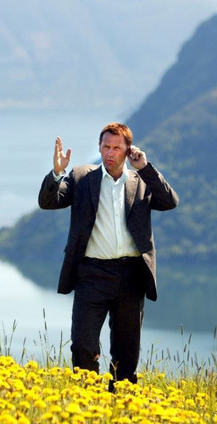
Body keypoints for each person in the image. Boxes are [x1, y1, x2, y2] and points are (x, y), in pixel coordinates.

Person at [38, 122, 179, 391]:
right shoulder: (81, 177)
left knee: (126, 352)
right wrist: (57, 173)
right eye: (106, 147)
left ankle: (122, 404)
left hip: (131, 276)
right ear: (99, 148)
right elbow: (49, 202)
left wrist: (145, 168)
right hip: (92, 275)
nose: (110, 153)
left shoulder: (141, 181)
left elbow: (169, 201)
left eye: (116, 148)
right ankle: (89, 401)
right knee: (83, 344)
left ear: (128, 150)